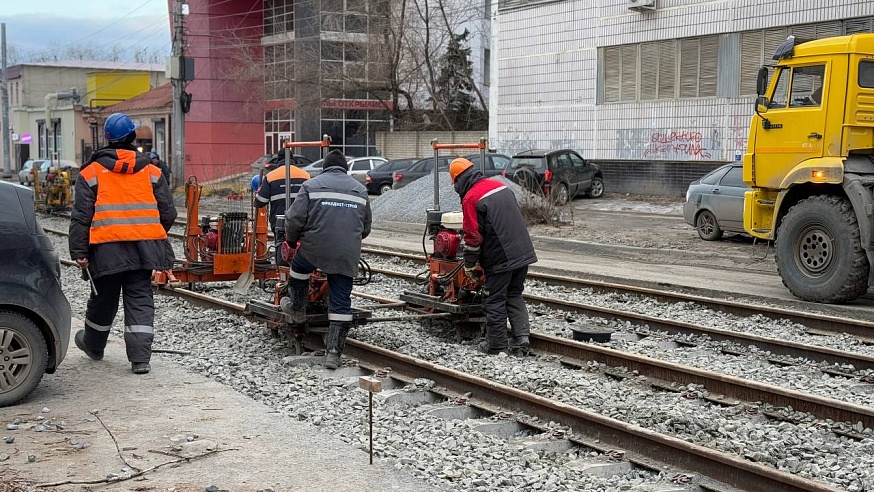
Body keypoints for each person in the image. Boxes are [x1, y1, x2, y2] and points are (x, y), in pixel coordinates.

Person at [69, 113, 178, 374]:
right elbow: (169, 212)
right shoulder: (152, 171)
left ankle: (94, 346)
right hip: (143, 249)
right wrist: (151, 234)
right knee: (140, 298)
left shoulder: (90, 173)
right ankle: (140, 359)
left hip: (105, 249)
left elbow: (81, 217)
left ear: (106, 140)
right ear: (132, 138)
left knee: (103, 299)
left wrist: (80, 252)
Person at [282, 149, 371, 369]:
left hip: (314, 248)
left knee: (299, 268)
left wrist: (292, 242)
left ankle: (298, 308)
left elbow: (293, 219)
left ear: (325, 167)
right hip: (346, 254)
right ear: (345, 169)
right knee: (341, 303)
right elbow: (366, 227)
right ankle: (333, 354)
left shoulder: (310, 185)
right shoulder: (360, 190)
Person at [448, 157, 538, 355]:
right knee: (514, 294)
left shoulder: (471, 198)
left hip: (500, 257)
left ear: (458, 180)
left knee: (495, 299)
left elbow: (472, 236)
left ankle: (496, 345)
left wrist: (470, 265)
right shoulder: (500, 187)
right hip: (523, 251)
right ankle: (522, 338)